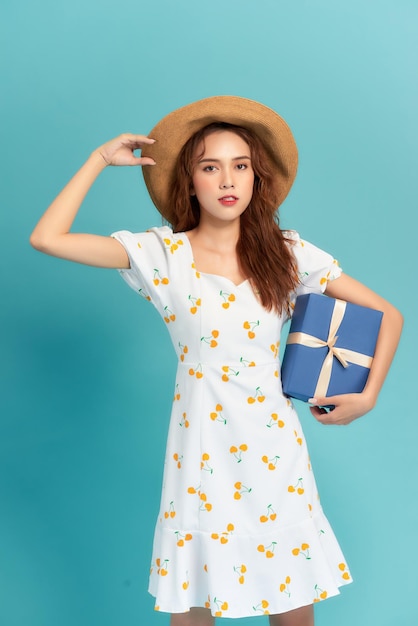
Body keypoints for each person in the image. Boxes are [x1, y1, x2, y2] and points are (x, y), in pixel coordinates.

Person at [30, 96, 403, 626]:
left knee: (293, 609)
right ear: (191, 182)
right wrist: (97, 160)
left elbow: (387, 314)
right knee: (193, 607)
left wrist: (365, 396)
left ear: (256, 179)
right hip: (200, 456)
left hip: (276, 454)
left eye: (240, 165)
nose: (227, 179)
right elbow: (47, 238)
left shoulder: (288, 251)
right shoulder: (162, 255)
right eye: (210, 166)